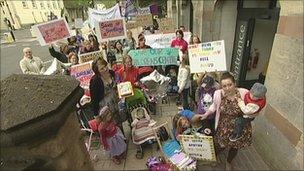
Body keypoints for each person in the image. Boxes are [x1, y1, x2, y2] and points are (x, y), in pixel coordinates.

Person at [198, 72, 251, 170]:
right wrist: (206, 114)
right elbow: (214, 105)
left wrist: (252, 114)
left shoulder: (244, 93)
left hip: (238, 128)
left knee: (235, 147)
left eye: (230, 85)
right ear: (221, 86)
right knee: (219, 145)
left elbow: (254, 106)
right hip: (224, 126)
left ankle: (229, 162)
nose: (227, 88)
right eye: (224, 86)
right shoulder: (218, 94)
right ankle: (214, 157)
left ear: (234, 83)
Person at [89, 58, 123, 132]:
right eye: (102, 69)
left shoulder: (112, 73)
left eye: (105, 66)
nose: (105, 69)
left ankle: (123, 141)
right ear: (97, 71)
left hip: (116, 104)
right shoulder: (95, 81)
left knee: (119, 125)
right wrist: (96, 116)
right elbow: (94, 99)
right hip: (105, 109)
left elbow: (118, 85)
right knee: (111, 130)